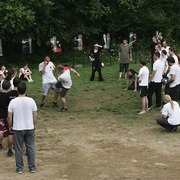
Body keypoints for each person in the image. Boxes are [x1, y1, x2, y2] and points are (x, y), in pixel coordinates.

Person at [8, 82, 38, 174]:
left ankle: (19, 168)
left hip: (17, 128)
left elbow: (9, 117)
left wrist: (10, 126)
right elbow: (35, 114)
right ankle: (32, 167)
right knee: (31, 147)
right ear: (26, 90)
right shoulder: (31, 100)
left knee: (18, 148)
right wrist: (34, 124)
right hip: (29, 127)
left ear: (17, 90)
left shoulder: (13, 102)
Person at [6, 77, 21, 157]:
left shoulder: (8, 93)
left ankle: (9, 149)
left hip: (10, 115)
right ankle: (18, 146)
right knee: (20, 132)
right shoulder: (21, 93)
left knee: (10, 132)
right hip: (19, 115)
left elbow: (6, 105)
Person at [0, 80, 11, 150]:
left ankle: (0, 143)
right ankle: (9, 145)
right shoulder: (9, 96)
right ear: (9, 86)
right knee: (10, 130)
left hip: (0, 114)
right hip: (7, 114)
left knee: (0, 130)